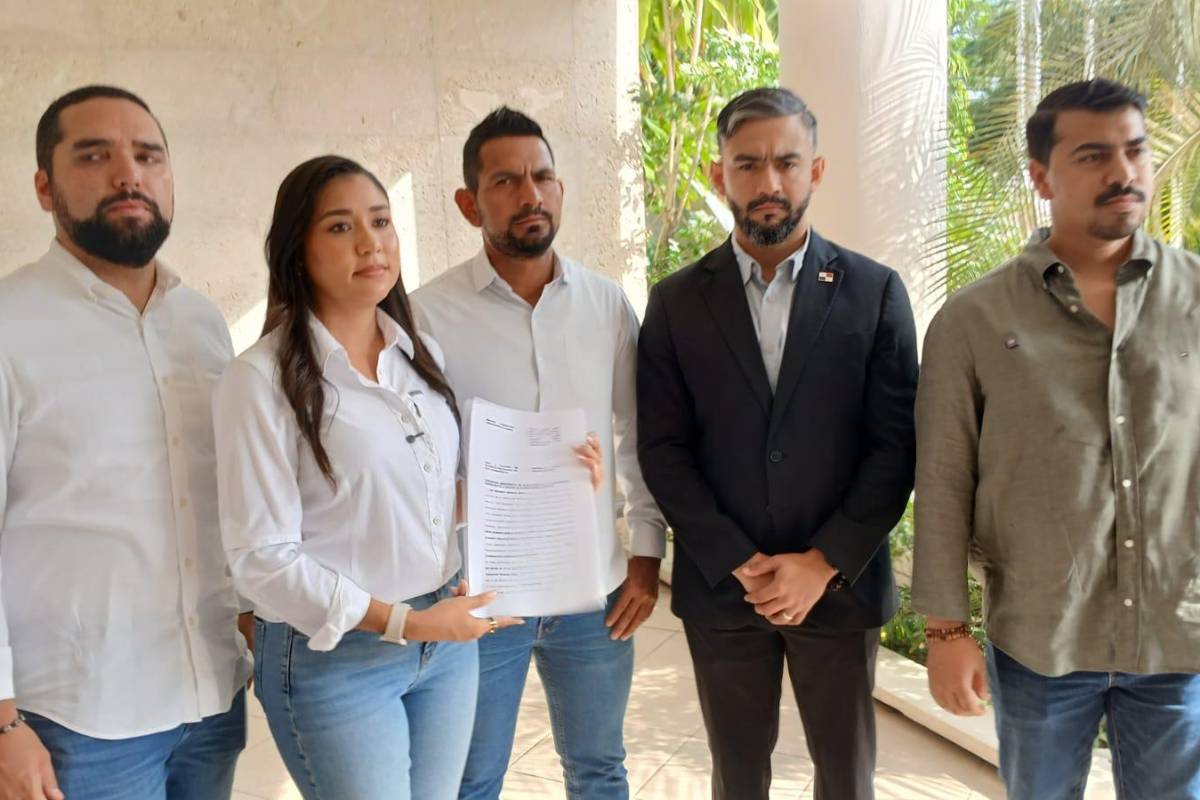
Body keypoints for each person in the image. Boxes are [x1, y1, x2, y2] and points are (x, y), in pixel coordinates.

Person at [213, 154, 602, 800]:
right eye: (340, 227)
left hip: (444, 640)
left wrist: (552, 482)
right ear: (296, 250)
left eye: (381, 221)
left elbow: (428, 500)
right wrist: (407, 624)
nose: (371, 243)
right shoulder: (259, 381)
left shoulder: (417, 355)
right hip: (338, 658)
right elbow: (262, 560)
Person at [913, 78, 1200, 800]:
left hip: (1179, 637)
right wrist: (946, 632)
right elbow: (943, 478)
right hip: (1040, 641)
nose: (1123, 172)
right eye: (1093, 155)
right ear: (1041, 177)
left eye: (1135, 150)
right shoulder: (974, 320)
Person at [637, 87, 918, 800]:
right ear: (718, 174)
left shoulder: (875, 293)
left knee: (846, 780)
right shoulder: (674, 303)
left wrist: (822, 564)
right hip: (724, 589)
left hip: (840, 588)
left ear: (815, 170)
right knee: (736, 779)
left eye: (787, 162)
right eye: (748, 163)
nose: (769, 182)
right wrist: (739, 561)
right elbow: (663, 449)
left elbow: (894, 447)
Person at [0, 85, 251, 800]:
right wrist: (2, 722)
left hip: (212, 696)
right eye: (94, 156)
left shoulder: (201, 321)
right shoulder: (10, 323)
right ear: (44, 187)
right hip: (76, 719)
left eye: (148, 156)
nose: (128, 175)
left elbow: (219, 497)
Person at [411, 107, 668, 800]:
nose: (530, 195)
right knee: (472, 780)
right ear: (469, 204)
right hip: (480, 600)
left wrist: (646, 555)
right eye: (505, 181)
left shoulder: (607, 305)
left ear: (560, 189)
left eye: (543, 176)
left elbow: (636, 434)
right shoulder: (425, 316)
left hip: (594, 595)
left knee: (599, 770)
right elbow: (412, 463)